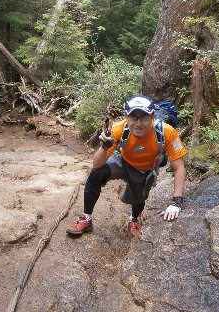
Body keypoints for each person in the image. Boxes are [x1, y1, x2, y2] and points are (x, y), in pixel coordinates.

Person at [66, 95, 187, 236]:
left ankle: (134, 218)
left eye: (144, 116)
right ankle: (86, 218)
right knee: (96, 173)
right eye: (133, 117)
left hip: (144, 171)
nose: (138, 123)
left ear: (152, 116)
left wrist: (176, 203)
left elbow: (179, 167)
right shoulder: (118, 129)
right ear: (125, 116)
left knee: (139, 200)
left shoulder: (167, 132)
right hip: (122, 162)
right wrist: (104, 147)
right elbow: (97, 164)